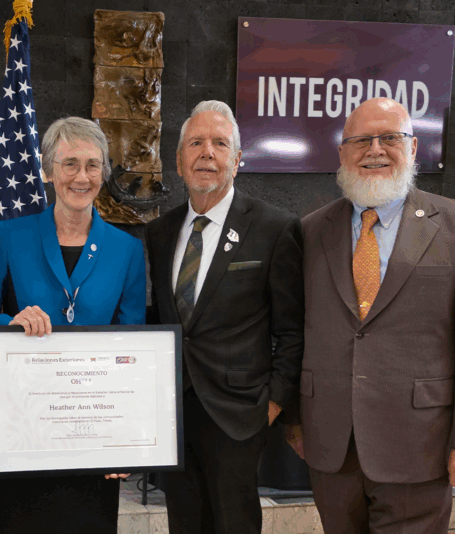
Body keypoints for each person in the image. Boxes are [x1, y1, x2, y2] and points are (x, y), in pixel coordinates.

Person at [288, 97, 455, 533]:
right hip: (331, 443)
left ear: (413, 147)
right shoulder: (310, 231)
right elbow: (295, 330)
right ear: (342, 153)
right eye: (361, 141)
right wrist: (295, 419)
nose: (375, 150)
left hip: (420, 444)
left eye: (390, 137)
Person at [0, 116, 146, 533]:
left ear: (104, 173)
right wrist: (9, 322)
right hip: (25, 425)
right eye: (69, 163)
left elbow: (134, 348)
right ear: (48, 170)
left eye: (92, 165)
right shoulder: (10, 237)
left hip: (96, 430)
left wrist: (126, 439)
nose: (81, 177)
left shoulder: (127, 250)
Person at [145, 100, 305, 534]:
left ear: (237, 160)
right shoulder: (160, 233)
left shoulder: (274, 227)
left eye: (219, 143)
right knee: (183, 522)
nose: (207, 152)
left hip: (238, 415)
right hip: (174, 412)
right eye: (195, 143)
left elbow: (293, 329)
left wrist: (272, 403)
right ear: (179, 161)